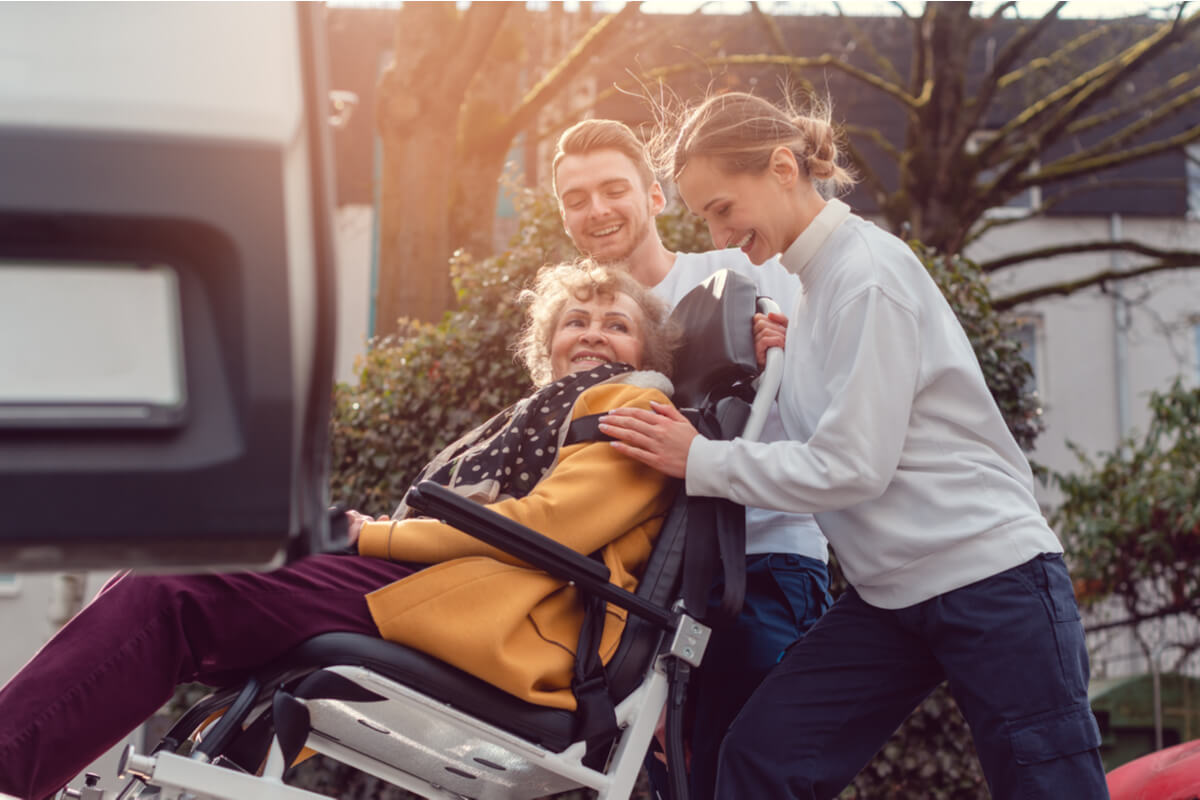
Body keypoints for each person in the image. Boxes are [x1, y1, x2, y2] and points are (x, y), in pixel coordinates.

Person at [0, 261, 682, 800]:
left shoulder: (636, 405)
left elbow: (545, 529)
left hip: (509, 621)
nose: (592, 333)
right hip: (452, 589)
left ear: (647, 351)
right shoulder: (533, 418)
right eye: (576, 320)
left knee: (181, 587)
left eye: (617, 324)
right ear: (547, 347)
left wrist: (371, 537)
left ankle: (8, 761)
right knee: (188, 578)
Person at [597, 91, 1110, 800]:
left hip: (992, 578)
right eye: (705, 217)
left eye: (721, 209)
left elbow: (851, 465)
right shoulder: (812, 291)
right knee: (762, 758)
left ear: (782, 167)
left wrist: (700, 459)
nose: (717, 233)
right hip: (892, 596)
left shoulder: (865, 275)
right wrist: (794, 349)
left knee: (1048, 790)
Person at [552, 118, 833, 800]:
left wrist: (791, 351)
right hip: (643, 598)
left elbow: (826, 401)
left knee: (745, 774)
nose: (597, 210)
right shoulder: (586, 324)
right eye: (577, 198)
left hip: (758, 563)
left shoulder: (738, 270)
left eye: (614, 189)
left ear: (654, 197)